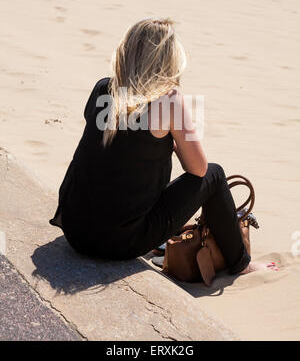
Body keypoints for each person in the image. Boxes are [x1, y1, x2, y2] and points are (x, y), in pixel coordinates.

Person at [49, 17, 278, 275]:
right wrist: (174, 145)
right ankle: (242, 264)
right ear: (169, 59)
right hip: (118, 243)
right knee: (214, 174)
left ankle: (156, 241)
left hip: (75, 230)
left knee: (130, 166)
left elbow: (106, 149)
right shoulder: (169, 100)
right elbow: (199, 170)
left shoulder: (104, 87)